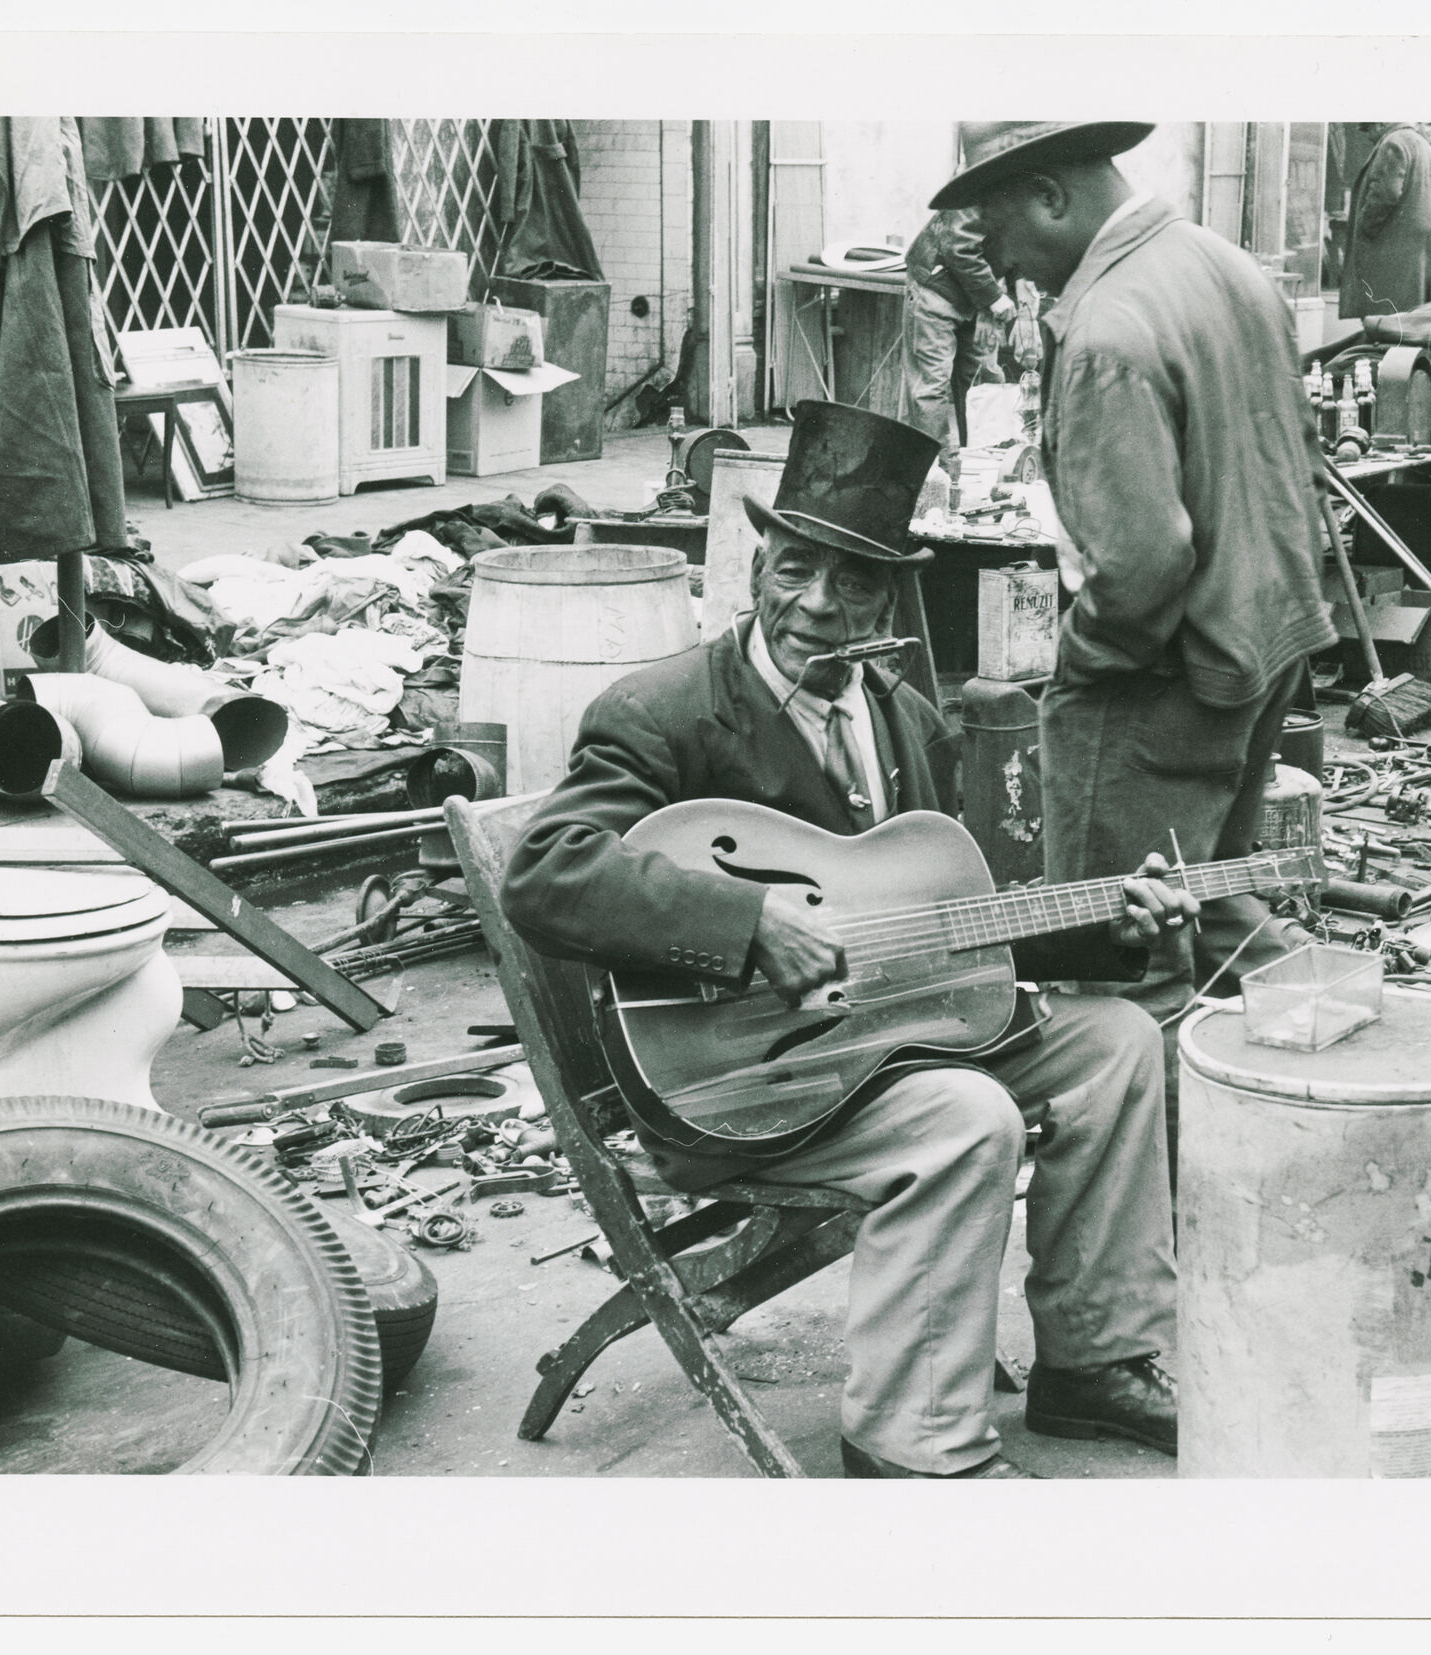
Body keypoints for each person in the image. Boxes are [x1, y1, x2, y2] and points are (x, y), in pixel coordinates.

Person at [500, 399, 1190, 1479]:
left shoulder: (904, 715)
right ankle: (909, 1443)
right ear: (755, 564)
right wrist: (742, 920)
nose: (816, 606)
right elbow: (544, 872)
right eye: (793, 569)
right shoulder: (666, 712)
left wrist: (1110, 927)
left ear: (890, 596)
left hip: (880, 1041)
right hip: (743, 1084)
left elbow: (943, 925)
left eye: (852, 581)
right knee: (966, 1114)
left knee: (1114, 1044)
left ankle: (1094, 1361)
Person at [928, 122, 1335, 1159]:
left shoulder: (1109, 324)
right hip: (1264, 630)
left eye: (999, 230)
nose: (1002, 263)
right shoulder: (1220, 263)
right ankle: (1273, 1136)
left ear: (1052, 197)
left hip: (1163, 673)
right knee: (1211, 899)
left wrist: (1089, 661)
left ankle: (1144, 1213)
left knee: (1123, 959)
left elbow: (1144, 560)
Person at [900, 208, 1016, 449]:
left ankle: (979, 467)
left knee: (980, 385)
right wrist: (993, 297)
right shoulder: (980, 179)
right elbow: (958, 246)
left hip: (978, 295)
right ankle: (933, 474)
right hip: (937, 288)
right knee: (932, 386)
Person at [1337, 121, 1431, 317]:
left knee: (1383, 322)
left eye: (1368, 129)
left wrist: (1365, 228)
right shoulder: (1425, 146)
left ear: (1380, 124)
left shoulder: (1393, 144)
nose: (1369, 137)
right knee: (1410, 321)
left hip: (1390, 251)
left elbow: (1385, 194)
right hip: (1417, 250)